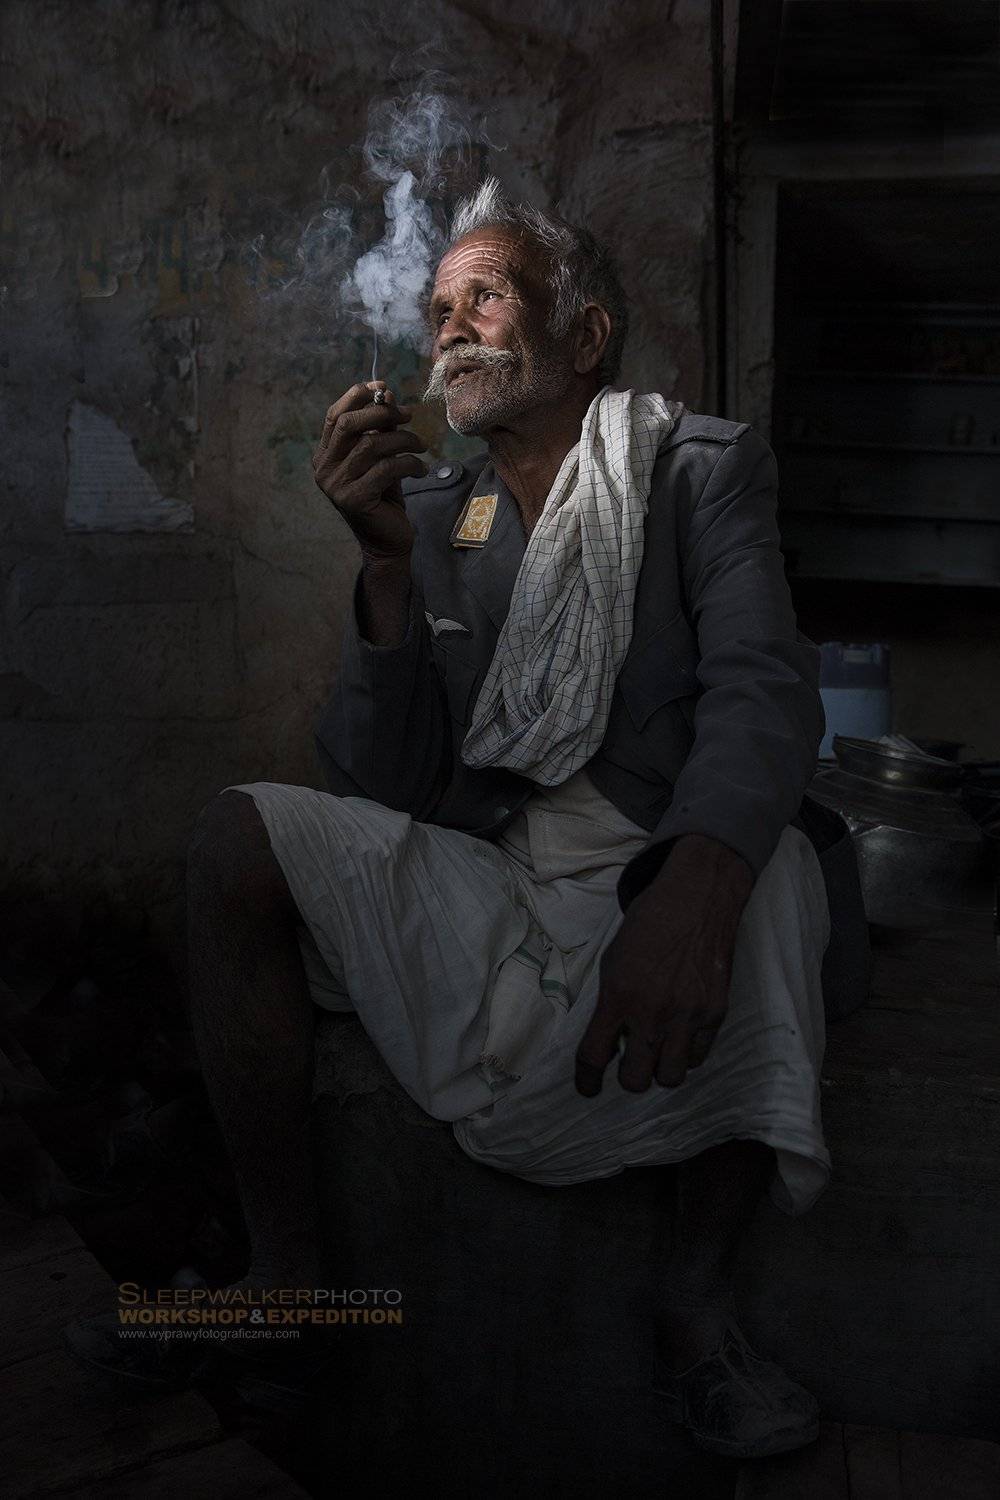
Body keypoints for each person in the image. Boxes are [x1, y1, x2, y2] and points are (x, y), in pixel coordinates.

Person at [69, 178, 865, 1458]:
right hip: (494, 865)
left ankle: (696, 1314)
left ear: (584, 336)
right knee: (239, 834)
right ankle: (286, 1286)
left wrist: (693, 884)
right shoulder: (444, 514)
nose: (450, 328)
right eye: (439, 305)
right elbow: (378, 787)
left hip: (652, 842)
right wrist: (384, 567)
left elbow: (762, 692)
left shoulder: (696, 469)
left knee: (769, 872)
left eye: (485, 296)